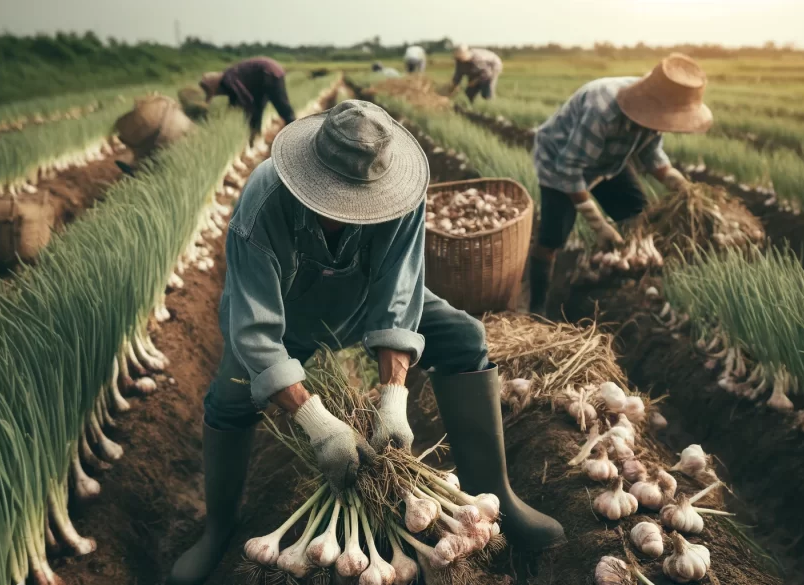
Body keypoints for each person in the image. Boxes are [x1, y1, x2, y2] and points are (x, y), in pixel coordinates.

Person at [167, 100, 565, 585]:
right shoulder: (263, 203)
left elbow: (399, 294)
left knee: (465, 337)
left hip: (365, 304)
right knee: (229, 398)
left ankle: (490, 491)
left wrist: (394, 398)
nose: (345, 214)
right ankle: (218, 528)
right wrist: (318, 424)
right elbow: (254, 328)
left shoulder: (401, 193)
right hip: (285, 319)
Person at [528, 53, 713, 315]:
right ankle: (536, 307)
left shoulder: (659, 106)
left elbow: (652, 156)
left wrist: (683, 187)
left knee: (638, 215)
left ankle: (621, 287)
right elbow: (569, 169)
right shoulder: (601, 108)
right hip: (560, 160)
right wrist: (598, 223)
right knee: (553, 237)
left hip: (609, 163)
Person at [200, 57, 296, 141]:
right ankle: (255, 135)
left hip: (269, 73)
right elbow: (236, 99)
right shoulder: (229, 78)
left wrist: (245, 113)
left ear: (217, 87)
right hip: (264, 76)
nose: (218, 94)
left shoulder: (228, 79)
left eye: (216, 92)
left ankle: (296, 134)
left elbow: (244, 97)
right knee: (258, 109)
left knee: (282, 106)